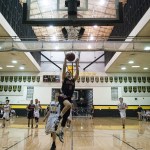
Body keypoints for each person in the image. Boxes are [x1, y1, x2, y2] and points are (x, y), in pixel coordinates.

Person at [54, 56, 79, 142]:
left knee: (66, 117)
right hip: (62, 96)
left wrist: (76, 64)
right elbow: (64, 68)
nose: (68, 73)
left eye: (69, 72)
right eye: (67, 72)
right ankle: (58, 118)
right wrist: (65, 59)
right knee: (69, 105)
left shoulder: (73, 80)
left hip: (68, 98)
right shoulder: (64, 79)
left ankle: (60, 132)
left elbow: (77, 74)